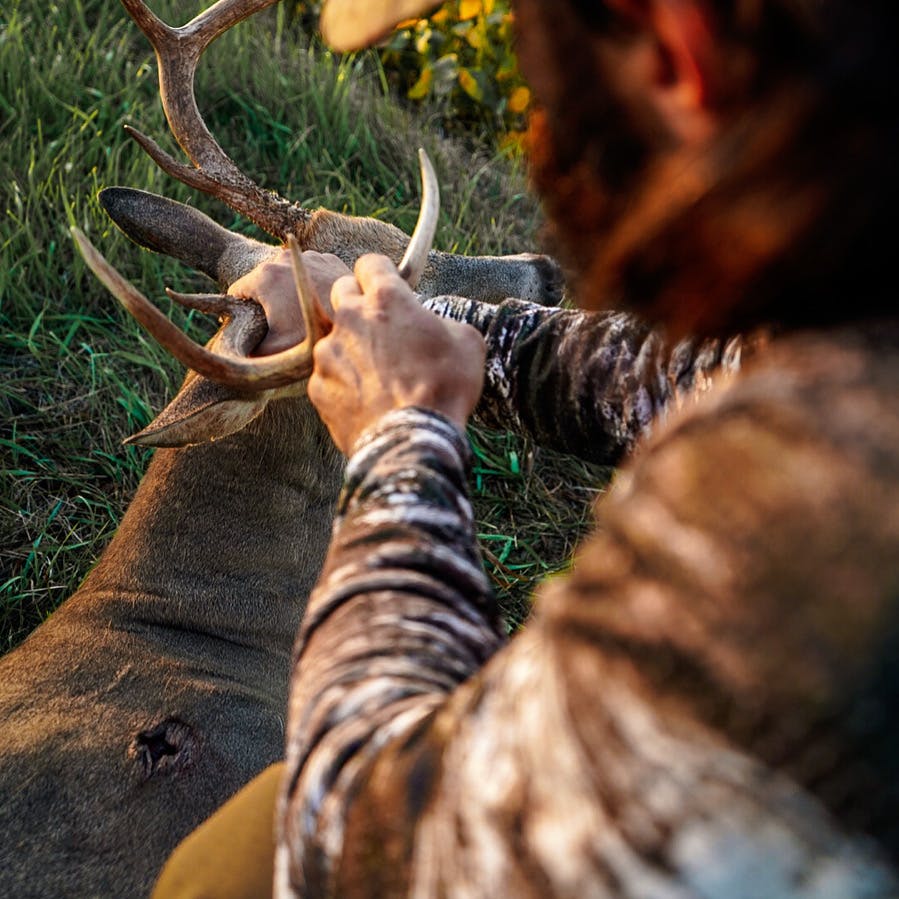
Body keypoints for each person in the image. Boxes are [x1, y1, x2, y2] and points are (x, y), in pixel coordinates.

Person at [155, 0, 899, 896]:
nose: (539, 125)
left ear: (676, 46)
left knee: (232, 862)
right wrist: (426, 326)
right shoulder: (848, 338)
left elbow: (366, 841)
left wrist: (403, 442)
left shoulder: (799, 516)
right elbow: (706, 372)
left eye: (534, 66)